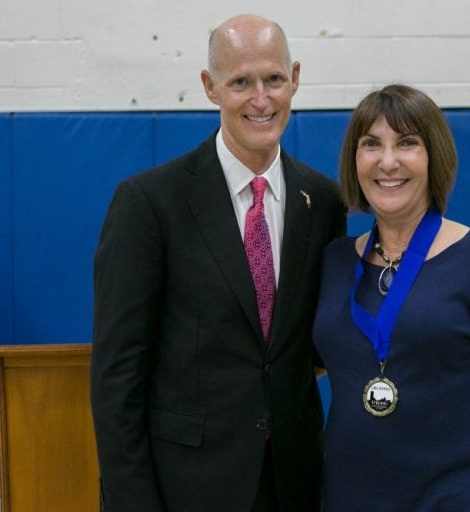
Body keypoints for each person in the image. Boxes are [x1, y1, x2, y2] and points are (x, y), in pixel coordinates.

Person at [90, 14, 346, 512]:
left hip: (295, 483)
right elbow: (116, 377)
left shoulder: (324, 200)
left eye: (273, 79)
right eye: (240, 82)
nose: (261, 98)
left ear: (295, 77)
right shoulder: (149, 203)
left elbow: (314, 346)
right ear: (210, 87)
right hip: (185, 487)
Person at [312, 84, 470, 511]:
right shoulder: (333, 262)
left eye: (407, 143)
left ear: (433, 156)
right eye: (371, 144)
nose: (387, 161)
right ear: (354, 160)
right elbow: (304, 367)